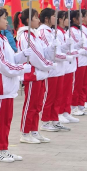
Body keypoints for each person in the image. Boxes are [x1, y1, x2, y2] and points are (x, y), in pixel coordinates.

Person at [0, 8, 29, 162]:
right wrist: (21, 68)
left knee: (6, 119)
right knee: (0, 118)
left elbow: (11, 59)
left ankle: (3, 147)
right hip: (1, 84)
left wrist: (23, 56)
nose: (6, 21)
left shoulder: (2, 39)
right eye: (4, 18)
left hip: (9, 85)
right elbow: (2, 65)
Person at [14, 9, 53, 144]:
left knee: (37, 105)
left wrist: (52, 48)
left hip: (40, 74)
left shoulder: (35, 35)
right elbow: (35, 57)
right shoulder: (26, 36)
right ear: (28, 20)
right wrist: (47, 65)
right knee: (30, 105)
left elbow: (42, 52)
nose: (38, 20)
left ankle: (34, 130)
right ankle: (25, 132)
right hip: (32, 75)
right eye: (36, 18)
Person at [37, 8, 70, 132]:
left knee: (58, 96)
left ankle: (55, 119)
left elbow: (58, 49)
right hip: (51, 69)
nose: (56, 19)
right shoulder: (43, 32)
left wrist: (66, 47)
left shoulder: (51, 31)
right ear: (46, 18)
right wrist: (66, 56)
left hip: (59, 68)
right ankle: (45, 121)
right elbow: (49, 53)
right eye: (54, 16)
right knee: (50, 96)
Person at [67, 10, 87, 116]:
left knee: (85, 83)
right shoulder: (73, 30)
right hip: (80, 59)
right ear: (75, 19)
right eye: (84, 16)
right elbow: (83, 46)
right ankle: (74, 106)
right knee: (77, 85)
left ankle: (81, 104)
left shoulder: (83, 29)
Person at [55, 11, 79, 124]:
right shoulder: (57, 33)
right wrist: (71, 53)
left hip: (69, 65)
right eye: (65, 18)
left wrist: (74, 50)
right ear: (60, 19)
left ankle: (66, 111)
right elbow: (60, 50)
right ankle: (59, 112)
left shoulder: (64, 32)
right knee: (62, 91)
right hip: (64, 64)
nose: (68, 21)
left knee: (68, 90)